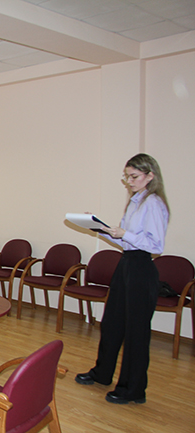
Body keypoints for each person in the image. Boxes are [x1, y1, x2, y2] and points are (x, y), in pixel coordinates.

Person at [75, 153, 169, 405]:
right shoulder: (135, 202)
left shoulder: (154, 203)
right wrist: (100, 228)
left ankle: (132, 389)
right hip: (126, 264)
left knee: (136, 332)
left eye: (134, 176)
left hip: (142, 268)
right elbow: (125, 241)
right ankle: (102, 373)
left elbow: (155, 245)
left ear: (150, 176)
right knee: (112, 323)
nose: (129, 181)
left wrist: (124, 233)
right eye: (127, 176)